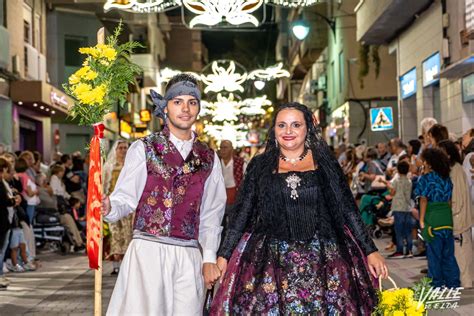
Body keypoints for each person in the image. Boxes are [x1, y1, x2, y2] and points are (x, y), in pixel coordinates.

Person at [211, 102, 387, 315]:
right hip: (271, 261)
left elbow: (347, 209)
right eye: (281, 125)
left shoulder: (325, 164)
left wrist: (371, 250)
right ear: (274, 130)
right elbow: (243, 214)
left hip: (324, 261)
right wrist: (224, 255)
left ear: (307, 129)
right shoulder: (260, 165)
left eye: (296, 125)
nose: (288, 131)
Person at [102, 74, 226, 315]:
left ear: (199, 108)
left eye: (192, 102)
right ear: (165, 106)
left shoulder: (209, 157)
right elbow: (125, 198)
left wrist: (209, 257)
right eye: (178, 101)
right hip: (148, 250)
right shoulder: (143, 148)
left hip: (189, 253)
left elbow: (212, 213)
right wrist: (109, 207)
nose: (185, 108)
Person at [414, 148, 460, 288]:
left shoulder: (425, 179)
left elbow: (423, 200)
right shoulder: (446, 178)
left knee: (434, 255)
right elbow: (449, 200)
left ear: (428, 162)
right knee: (448, 255)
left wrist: (422, 221)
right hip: (446, 219)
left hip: (433, 219)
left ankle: (437, 284)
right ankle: (453, 283)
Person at [438, 140, 473, 288]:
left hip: (459, 220)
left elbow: (457, 199)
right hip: (457, 218)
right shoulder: (451, 170)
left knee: (462, 253)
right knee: (458, 253)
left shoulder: (456, 170)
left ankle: (467, 283)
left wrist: (448, 214)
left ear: (448, 153)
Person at [103, 140, 133, 275]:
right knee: (115, 235)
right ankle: (116, 265)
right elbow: (103, 187)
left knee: (128, 235)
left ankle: (127, 266)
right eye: (120, 148)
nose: (123, 151)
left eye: (125, 148)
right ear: (115, 150)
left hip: (128, 206)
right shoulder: (108, 167)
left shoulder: (132, 166)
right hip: (112, 206)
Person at [384, 161, 413, 259]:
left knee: (399, 230)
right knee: (408, 230)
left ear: (398, 170)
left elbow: (392, 192)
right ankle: (409, 250)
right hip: (407, 208)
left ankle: (400, 251)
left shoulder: (397, 180)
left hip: (398, 207)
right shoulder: (409, 181)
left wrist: (386, 184)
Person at [0, 158, 21, 290]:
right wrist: (13, 201)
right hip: (1, 220)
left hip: (4, 219)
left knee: (2, 248)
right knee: (0, 249)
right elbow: (3, 200)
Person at [219, 140, 247, 225]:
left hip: (235, 195)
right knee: (220, 223)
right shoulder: (216, 163)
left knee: (233, 223)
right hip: (219, 197)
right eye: (221, 147)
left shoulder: (240, 162)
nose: (223, 150)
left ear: (231, 149)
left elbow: (246, 180)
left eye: (225, 147)